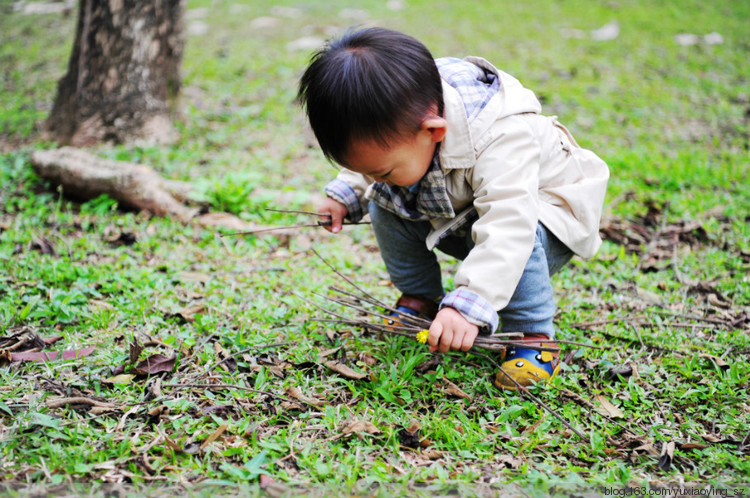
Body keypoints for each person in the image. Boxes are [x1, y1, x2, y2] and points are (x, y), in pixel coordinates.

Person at [297, 27, 609, 390]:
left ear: (434, 131)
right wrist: (348, 190)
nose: (372, 176)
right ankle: (421, 297)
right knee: (384, 203)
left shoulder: (502, 135)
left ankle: (532, 336)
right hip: (467, 213)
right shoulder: (406, 112)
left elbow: (510, 225)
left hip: (547, 221)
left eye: (380, 171)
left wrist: (469, 304)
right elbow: (374, 159)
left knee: (517, 229)